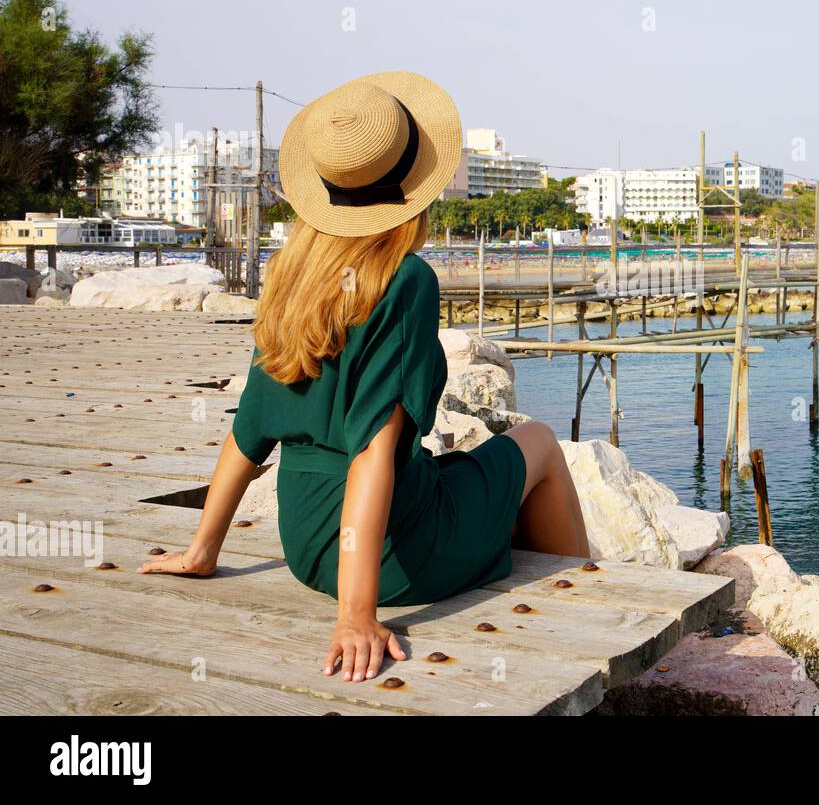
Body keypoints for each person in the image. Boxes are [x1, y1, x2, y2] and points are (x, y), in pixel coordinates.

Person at [139, 71, 589, 684]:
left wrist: (203, 550)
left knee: (465, 473)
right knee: (536, 442)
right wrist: (357, 614)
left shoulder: (293, 277)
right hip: (389, 559)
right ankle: (580, 614)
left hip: (305, 545)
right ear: (414, 189)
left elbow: (249, 431)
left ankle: (506, 561)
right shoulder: (404, 281)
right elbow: (375, 448)